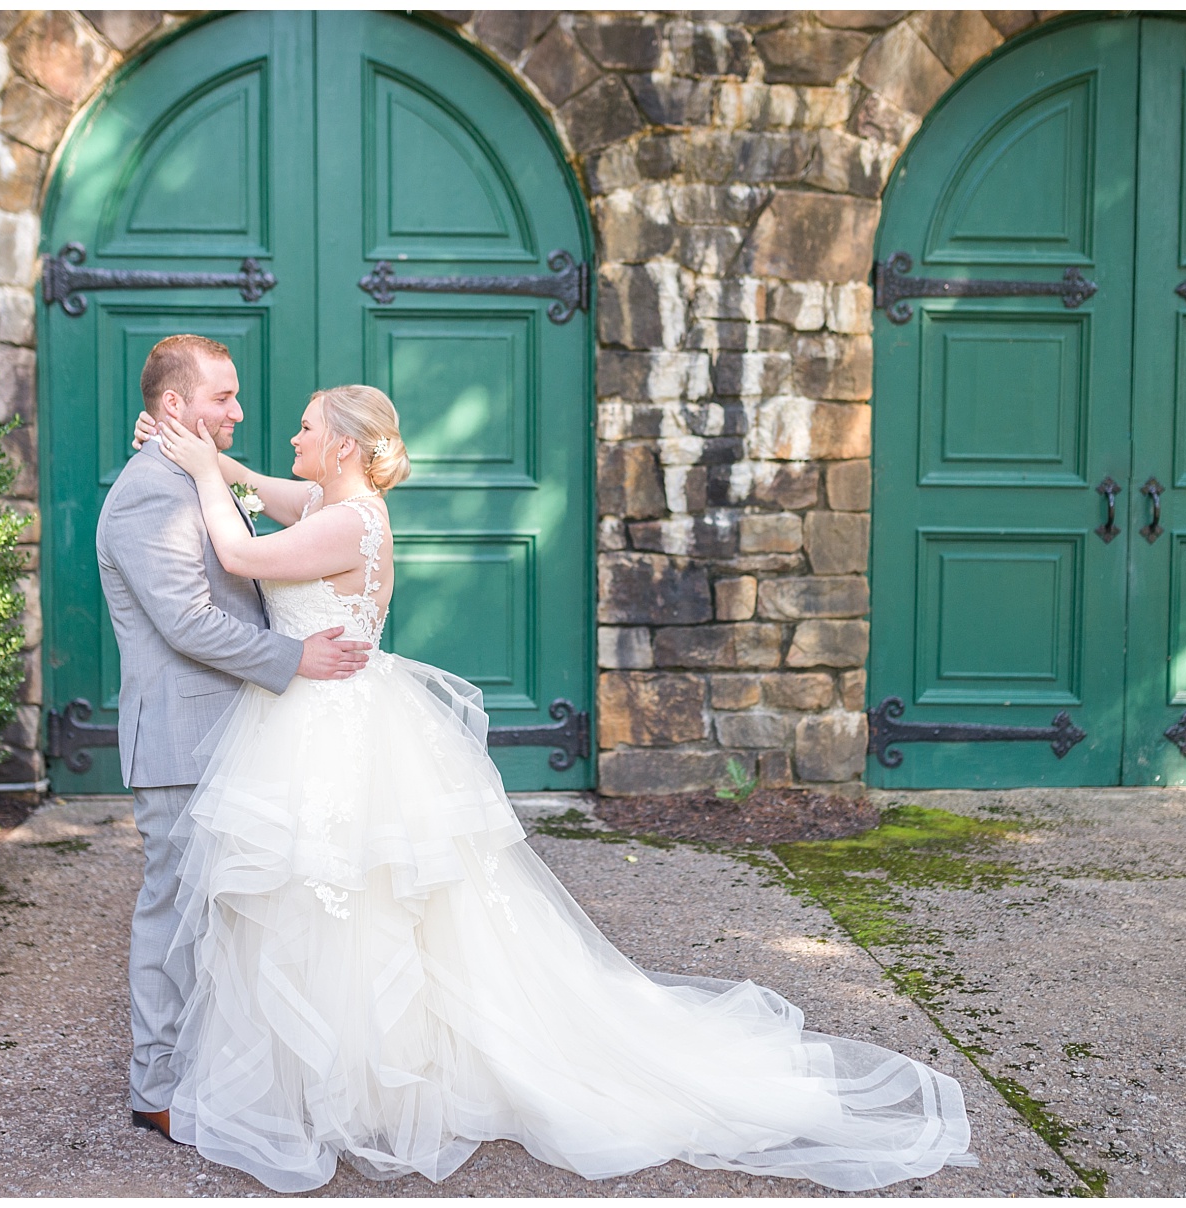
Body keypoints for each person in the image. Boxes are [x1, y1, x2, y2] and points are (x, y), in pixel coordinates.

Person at [132, 383, 976, 1192]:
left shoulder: (347, 522)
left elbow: (240, 553)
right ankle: (332, 1074)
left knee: (351, 901)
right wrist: (224, 465)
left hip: (332, 730)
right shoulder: (329, 506)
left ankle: (354, 1082)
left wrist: (205, 475)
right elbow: (275, 494)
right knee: (327, 903)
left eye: (308, 428)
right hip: (322, 719)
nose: (293, 439)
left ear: (344, 445)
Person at [95, 335, 372, 1143]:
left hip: (239, 729)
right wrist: (295, 657)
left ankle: (228, 1070)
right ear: (173, 406)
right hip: (185, 734)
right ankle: (156, 1089)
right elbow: (186, 621)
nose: (239, 412)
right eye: (222, 398)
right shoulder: (150, 492)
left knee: (236, 917)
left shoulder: (193, 472)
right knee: (176, 912)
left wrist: (223, 470)